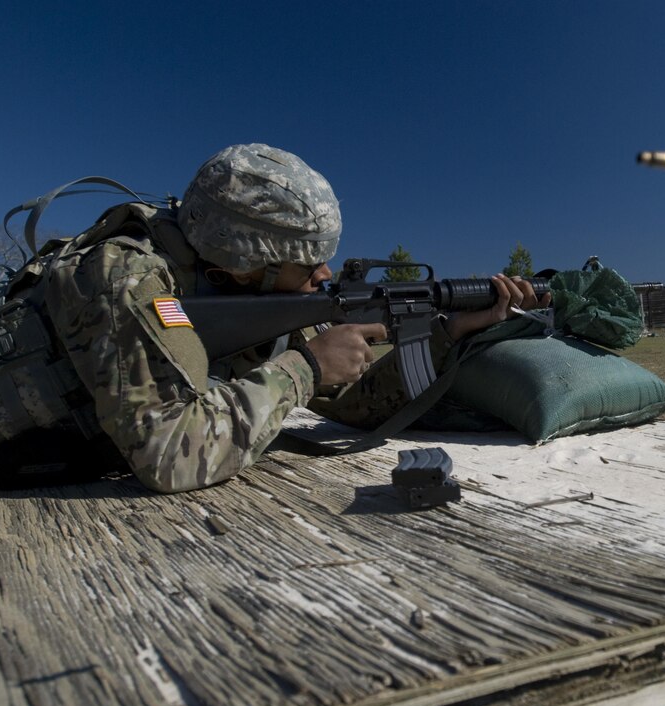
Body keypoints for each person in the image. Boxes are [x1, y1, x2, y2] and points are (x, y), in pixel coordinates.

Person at [42, 143, 545, 493]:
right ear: (242, 267)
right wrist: (305, 368)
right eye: (307, 263)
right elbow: (171, 454)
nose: (324, 273)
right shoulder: (125, 277)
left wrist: (451, 330)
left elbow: (353, 405)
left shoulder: (246, 294)